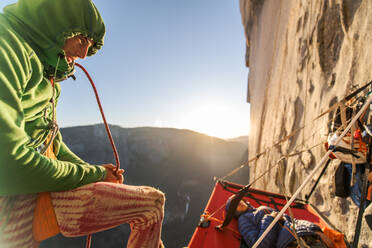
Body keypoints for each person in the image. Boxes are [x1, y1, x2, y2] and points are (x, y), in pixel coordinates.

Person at [0, 0, 165, 248]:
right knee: (150, 205)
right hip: (12, 195)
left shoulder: (49, 74)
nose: (84, 53)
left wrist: (95, 174)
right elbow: (8, 165)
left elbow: (52, 143)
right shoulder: (8, 48)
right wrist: (94, 174)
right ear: (57, 20)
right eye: (82, 39)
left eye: (90, 45)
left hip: (33, 190)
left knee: (151, 204)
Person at [225, 197, 334, 248]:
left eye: (239, 200)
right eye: (236, 204)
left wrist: (316, 231)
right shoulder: (244, 221)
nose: (240, 203)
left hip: (307, 237)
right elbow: (259, 245)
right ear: (234, 211)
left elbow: (292, 220)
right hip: (289, 244)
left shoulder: (259, 209)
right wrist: (271, 219)